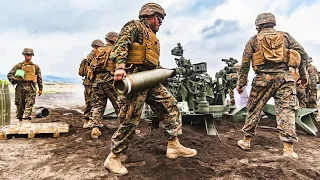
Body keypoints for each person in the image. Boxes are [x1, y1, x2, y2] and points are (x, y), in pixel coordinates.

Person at [103, 2, 197, 176]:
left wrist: (164, 74)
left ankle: (173, 145)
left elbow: (152, 62)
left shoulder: (153, 38)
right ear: (148, 16)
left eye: (161, 19)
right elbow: (121, 45)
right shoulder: (135, 26)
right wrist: (120, 67)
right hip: (134, 80)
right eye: (158, 18)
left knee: (170, 104)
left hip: (150, 80)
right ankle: (113, 157)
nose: (160, 22)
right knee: (131, 119)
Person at [236, 13, 309, 159]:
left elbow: (244, 64)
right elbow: (303, 54)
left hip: (263, 79)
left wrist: (241, 84)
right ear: (272, 23)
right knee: (286, 111)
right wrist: (303, 75)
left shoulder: (253, 40)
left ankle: (246, 141)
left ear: (258, 26)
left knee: (254, 108)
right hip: (285, 79)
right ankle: (288, 149)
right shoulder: (286, 37)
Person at [88, 32, 120, 139]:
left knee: (98, 106)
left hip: (97, 82)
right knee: (119, 105)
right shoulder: (115, 50)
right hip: (111, 81)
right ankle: (125, 128)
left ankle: (95, 129)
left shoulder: (98, 51)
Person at [7, 48, 43, 121]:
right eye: (27, 55)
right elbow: (9, 75)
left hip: (31, 88)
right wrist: (17, 80)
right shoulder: (18, 66)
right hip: (20, 88)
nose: (29, 57)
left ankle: (26, 120)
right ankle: (20, 121)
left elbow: (39, 78)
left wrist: (40, 89)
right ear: (24, 55)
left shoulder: (36, 67)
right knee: (20, 106)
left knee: (29, 105)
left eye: (30, 55)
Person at [78, 39, 105, 128]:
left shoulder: (97, 54)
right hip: (89, 83)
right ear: (96, 47)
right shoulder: (91, 56)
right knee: (89, 102)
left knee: (95, 103)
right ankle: (87, 120)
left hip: (94, 82)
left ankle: (93, 121)